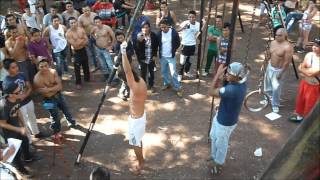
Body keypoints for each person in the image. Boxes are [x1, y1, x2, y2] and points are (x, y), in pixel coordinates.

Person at [207, 62, 247, 175]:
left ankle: (218, 163)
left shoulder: (231, 90)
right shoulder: (241, 83)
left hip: (225, 123)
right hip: (222, 116)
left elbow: (210, 92)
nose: (227, 75)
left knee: (221, 143)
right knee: (213, 137)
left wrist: (217, 74)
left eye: (229, 73)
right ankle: (214, 157)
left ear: (237, 77)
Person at [0, 83, 40, 178]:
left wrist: (23, 125)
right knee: (14, 153)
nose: (21, 92)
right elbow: (1, 123)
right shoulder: (4, 106)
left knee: (25, 141)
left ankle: (28, 158)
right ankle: (21, 170)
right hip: (8, 134)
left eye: (21, 90)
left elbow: (18, 110)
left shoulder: (17, 98)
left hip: (18, 128)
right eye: (18, 92)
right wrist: (18, 128)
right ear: (10, 94)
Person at [119, 41, 147, 175]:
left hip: (137, 120)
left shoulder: (135, 87)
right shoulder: (139, 79)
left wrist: (123, 52)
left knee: (135, 143)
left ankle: (141, 163)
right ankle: (141, 159)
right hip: (135, 117)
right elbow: (129, 70)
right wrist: (123, 55)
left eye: (124, 80)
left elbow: (127, 70)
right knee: (136, 141)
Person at [2, 59, 46, 142]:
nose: (17, 68)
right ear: (7, 70)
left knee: (32, 116)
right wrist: (19, 98)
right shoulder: (7, 83)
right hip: (19, 105)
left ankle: (36, 132)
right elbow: (9, 98)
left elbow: (29, 86)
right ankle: (29, 141)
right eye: (13, 67)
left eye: (16, 66)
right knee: (23, 122)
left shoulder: (21, 75)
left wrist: (25, 95)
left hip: (28, 100)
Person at [33, 59, 77, 135]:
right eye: (41, 67)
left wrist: (48, 89)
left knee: (66, 109)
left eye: (46, 66)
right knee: (54, 116)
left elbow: (60, 87)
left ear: (49, 65)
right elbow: (47, 94)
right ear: (38, 68)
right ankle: (56, 131)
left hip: (59, 94)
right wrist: (54, 88)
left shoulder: (53, 72)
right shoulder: (37, 79)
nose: (44, 68)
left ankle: (71, 122)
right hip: (47, 100)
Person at [289, 38, 320, 122]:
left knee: (311, 104)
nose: (314, 47)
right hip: (305, 82)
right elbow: (301, 66)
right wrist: (305, 70)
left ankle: (308, 121)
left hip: (314, 86)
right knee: (301, 100)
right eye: (314, 45)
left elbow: (309, 72)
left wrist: (304, 69)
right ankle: (299, 116)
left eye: (317, 46)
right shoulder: (309, 55)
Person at [264, 28, 293, 113]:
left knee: (276, 88)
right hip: (270, 66)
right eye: (276, 35)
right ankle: (267, 98)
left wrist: (281, 72)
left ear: (285, 36)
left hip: (279, 69)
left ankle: (275, 104)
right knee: (267, 85)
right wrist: (265, 63)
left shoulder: (287, 47)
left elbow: (287, 62)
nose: (277, 37)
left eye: (279, 35)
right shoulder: (273, 43)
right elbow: (270, 54)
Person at [157, 18, 183, 97]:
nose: (163, 29)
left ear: (168, 26)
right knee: (164, 71)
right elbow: (157, 44)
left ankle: (178, 88)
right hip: (163, 56)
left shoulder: (174, 33)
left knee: (173, 72)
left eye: (165, 27)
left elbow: (178, 42)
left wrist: (174, 50)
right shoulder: (159, 34)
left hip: (171, 56)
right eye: (161, 27)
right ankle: (167, 83)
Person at [66, 17, 90, 90]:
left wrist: (79, 42)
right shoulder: (68, 33)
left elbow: (87, 40)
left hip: (83, 49)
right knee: (77, 67)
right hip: (76, 52)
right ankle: (78, 82)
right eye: (71, 23)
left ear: (77, 22)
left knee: (86, 64)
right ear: (69, 24)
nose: (73, 24)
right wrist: (82, 40)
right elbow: (75, 45)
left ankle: (87, 78)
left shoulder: (81, 29)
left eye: (74, 22)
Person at [134, 21, 158, 92]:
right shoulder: (139, 36)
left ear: (149, 28)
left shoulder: (153, 35)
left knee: (151, 73)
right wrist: (139, 42)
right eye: (143, 28)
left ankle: (151, 85)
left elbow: (156, 46)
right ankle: (143, 86)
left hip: (151, 58)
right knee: (143, 73)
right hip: (143, 59)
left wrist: (154, 55)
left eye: (147, 27)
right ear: (141, 29)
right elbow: (136, 49)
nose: (145, 29)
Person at [177, 10, 201, 81]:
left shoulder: (198, 24)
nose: (191, 18)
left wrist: (197, 38)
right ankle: (180, 74)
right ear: (188, 17)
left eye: (193, 17)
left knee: (189, 61)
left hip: (192, 45)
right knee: (182, 61)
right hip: (185, 44)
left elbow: (200, 32)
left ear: (195, 17)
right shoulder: (185, 23)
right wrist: (183, 28)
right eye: (190, 17)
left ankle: (186, 72)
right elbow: (177, 30)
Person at [91, 16, 116, 81]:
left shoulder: (107, 28)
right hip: (98, 48)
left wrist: (111, 46)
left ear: (101, 21)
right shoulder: (94, 29)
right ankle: (106, 75)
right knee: (102, 63)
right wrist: (94, 38)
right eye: (96, 22)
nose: (97, 23)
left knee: (110, 63)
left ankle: (115, 77)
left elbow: (113, 37)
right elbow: (91, 34)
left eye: (98, 22)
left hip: (106, 48)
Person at [114, 30, 134, 100]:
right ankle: (121, 93)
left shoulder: (128, 43)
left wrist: (125, 53)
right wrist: (122, 53)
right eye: (118, 38)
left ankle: (127, 92)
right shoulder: (117, 45)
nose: (120, 39)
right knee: (125, 79)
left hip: (129, 63)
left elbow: (132, 52)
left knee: (130, 78)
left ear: (124, 37)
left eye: (121, 37)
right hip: (121, 65)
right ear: (116, 39)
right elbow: (117, 55)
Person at [78, 6, 99, 72]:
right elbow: (80, 29)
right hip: (87, 36)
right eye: (85, 11)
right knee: (90, 52)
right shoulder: (80, 18)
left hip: (96, 35)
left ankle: (99, 64)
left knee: (98, 51)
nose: (87, 12)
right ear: (82, 11)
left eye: (88, 10)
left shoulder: (94, 15)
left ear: (90, 10)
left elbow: (99, 24)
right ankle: (93, 66)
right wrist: (84, 38)